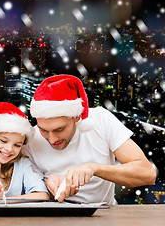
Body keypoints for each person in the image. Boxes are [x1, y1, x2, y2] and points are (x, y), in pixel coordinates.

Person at [22, 74, 156, 205]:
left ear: (76, 117)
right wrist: (47, 184)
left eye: (59, 129)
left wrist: (94, 169)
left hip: (102, 215)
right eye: (43, 130)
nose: (52, 139)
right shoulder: (31, 139)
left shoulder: (101, 120)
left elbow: (147, 174)